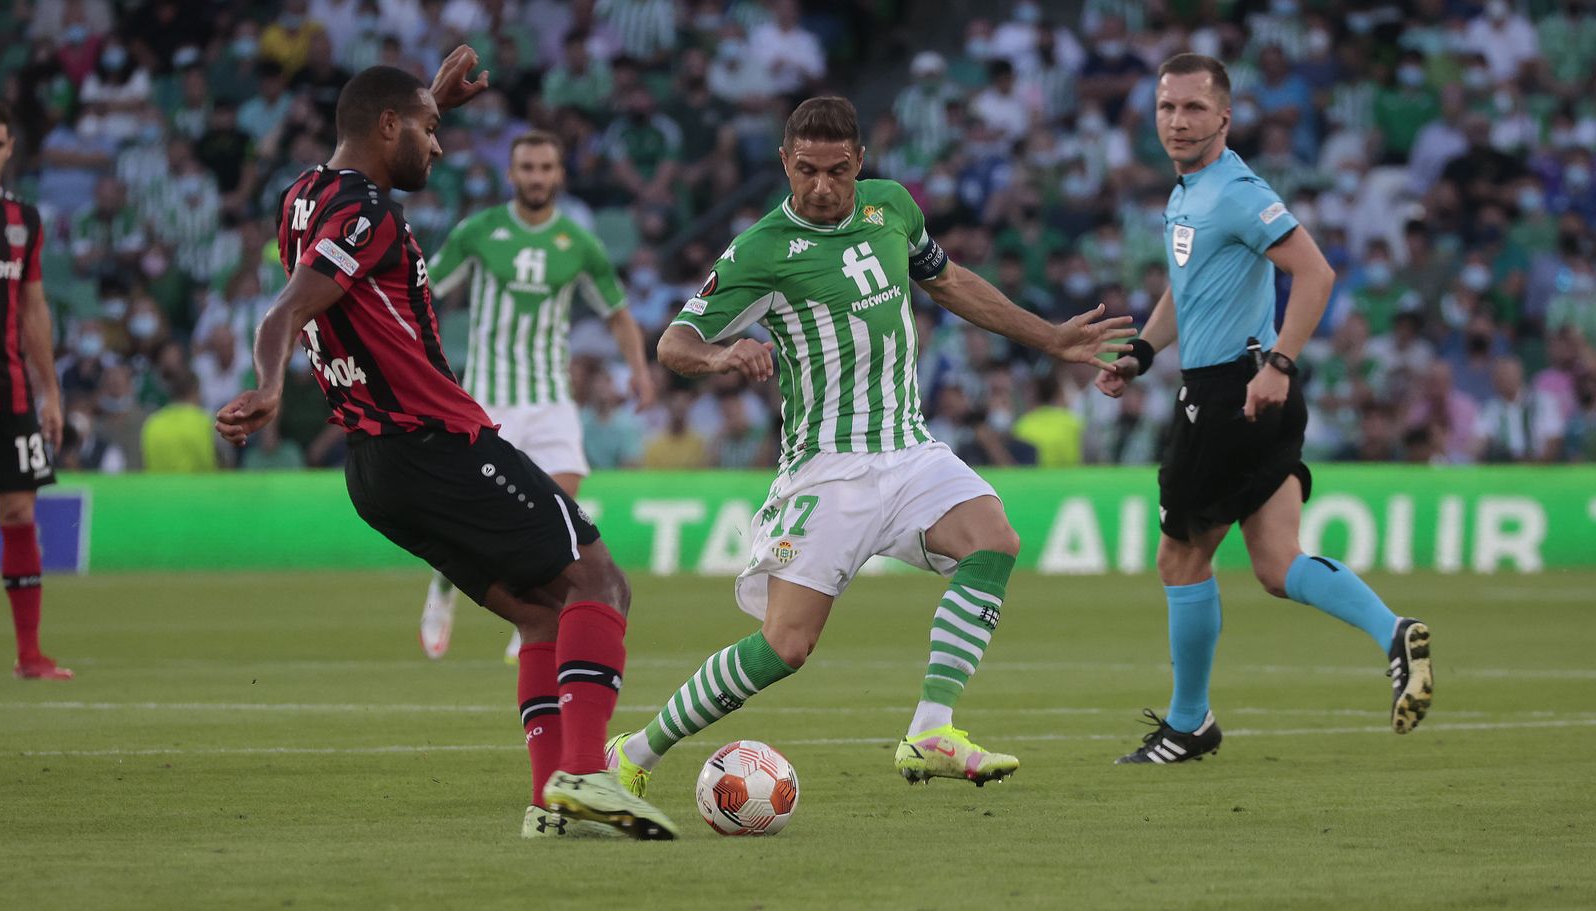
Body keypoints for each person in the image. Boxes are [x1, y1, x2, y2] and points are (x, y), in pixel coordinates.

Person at [606, 96, 1131, 794]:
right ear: (784, 164)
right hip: (828, 468)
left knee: (994, 537)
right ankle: (636, 751)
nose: (821, 187)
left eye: (836, 171)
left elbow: (948, 282)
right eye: (805, 171)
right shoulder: (761, 249)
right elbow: (675, 341)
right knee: (786, 646)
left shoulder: (892, 208)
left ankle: (930, 729)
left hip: (908, 448)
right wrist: (720, 356)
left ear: (860, 162)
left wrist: (1050, 336)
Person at [214, 50, 676, 840]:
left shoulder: (302, 196)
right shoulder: (370, 217)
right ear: (389, 126)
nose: (441, 145)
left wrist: (429, 100)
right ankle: (589, 773)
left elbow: (374, 136)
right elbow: (283, 310)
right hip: (435, 439)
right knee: (601, 582)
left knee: (539, 612)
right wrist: (267, 382)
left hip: (374, 470)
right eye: (430, 130)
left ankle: (549, 803)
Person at [1094, 55, 1434, 765]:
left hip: (1231, 396)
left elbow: (1316, 272)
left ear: (1225, 117)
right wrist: (1144, 354)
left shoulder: (1237, 192)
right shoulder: (1190, 194)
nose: (1178, 121)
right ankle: (1393, 630)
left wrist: (1280, 361)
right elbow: (1182, 290)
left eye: (1193, 108)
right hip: (1256, 394)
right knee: (1278, 564)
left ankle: (1190, 722)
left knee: (1180, 558)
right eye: (1167, 108)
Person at [418, 129, 654, 662]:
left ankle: (530, 617)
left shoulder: (579, 244)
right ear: (512, 174)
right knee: (467, 517)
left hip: (550, 400)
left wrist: (639, 369)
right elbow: (425, 291)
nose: (536, 178)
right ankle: (441, 589)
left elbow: (617, 312)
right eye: (527, 168)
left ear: (559, 174)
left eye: (545, 168)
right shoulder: (478, 231)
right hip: (487, 400)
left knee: (559, 514)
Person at [0, 103, 71, 681]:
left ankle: (28, 655)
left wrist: (51, 392)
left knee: (20, 509)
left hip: (10, 390)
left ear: (10, 149)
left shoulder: (24, 220)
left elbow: (33, 309)